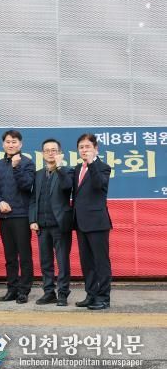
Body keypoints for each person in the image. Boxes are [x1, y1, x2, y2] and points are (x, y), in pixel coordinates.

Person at [0, 129, 35, 304]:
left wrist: (16, 167)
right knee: (9, 256)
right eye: (8, 142)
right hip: (4, 216)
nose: (11, 145)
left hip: (21, 215)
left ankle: (24, 290)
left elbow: (27, 186)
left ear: (20, 144)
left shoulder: (28, 163)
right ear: (3, 144)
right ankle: (12, 289)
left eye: (14, 142)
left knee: (24, 255)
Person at [29, 139, 74, 306]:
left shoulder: (67, 171)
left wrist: (59, 167)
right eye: (47, 150)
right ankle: (49, 292)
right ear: (42, 154)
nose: (50, 153)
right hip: (42, 225)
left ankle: (63, 294)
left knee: (62, 261)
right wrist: (33, 219)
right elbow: (33, 199)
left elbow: (67, 187)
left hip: (60, 225)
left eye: (53, 150)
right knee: (45, 261)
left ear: (60, 153)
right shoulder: (38, 174)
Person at [72, 133, 113, 311]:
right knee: (87, 262)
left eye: (87, 147)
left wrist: (92, 163)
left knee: (100, 262)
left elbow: (98, 185)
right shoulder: (77, 169)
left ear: (96, 149)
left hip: (97, 222)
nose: (84, 150)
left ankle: (103, 298)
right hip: (81, 222)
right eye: (81, 147)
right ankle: (91, 295)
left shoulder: (103, 167)